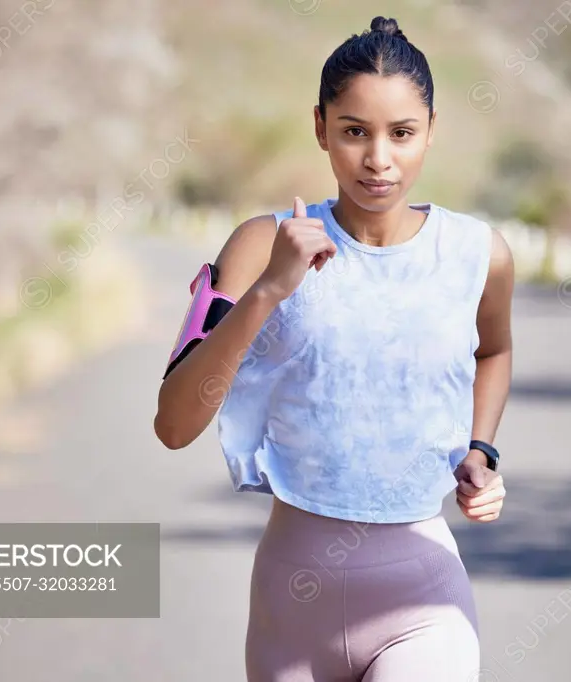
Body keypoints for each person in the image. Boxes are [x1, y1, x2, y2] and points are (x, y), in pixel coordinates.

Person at [154, 15, 514, 682]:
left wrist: (480, 450)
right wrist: (267, 291)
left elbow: (493, 351)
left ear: (431, 130)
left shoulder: (477, 254)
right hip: (293, 611)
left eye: (402, 133)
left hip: (424, 601)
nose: (379, 159)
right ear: (320, 127)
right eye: (354, 131)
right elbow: (174, 424)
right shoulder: (263, 243)